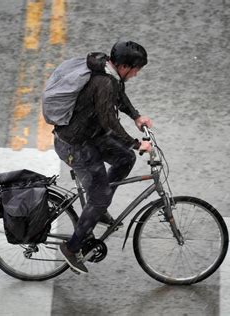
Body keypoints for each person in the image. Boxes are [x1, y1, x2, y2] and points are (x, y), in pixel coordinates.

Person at [54, 41, 153, 274]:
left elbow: (119, 98)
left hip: (89, 136)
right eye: (136, 69)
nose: (137, 74)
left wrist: (137, 117)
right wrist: (137, 143)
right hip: (74, 144)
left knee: (125, 159)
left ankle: (97, 209)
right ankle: (71, 247)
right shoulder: (104, 82)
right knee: (100, 197)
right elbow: (109, 120)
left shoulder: (111, 75)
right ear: (124, 66)